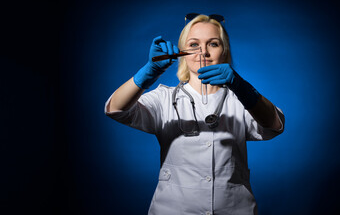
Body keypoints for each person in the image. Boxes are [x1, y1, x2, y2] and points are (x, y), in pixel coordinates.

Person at [105, 14, 285, 215]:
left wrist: (242, 87)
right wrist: (148, 72)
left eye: (213, 44)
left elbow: (274, 124)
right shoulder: (164, 98)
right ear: (182, 52)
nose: (203, 52)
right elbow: (116, 109)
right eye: (193, 44)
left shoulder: (241, 100)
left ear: (224, 52)